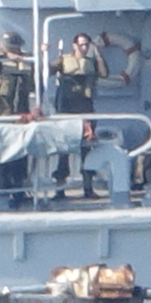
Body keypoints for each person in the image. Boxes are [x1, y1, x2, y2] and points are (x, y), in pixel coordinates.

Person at [52, 33, 108, 198]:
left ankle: (88, 189)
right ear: (74, 45)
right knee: (63, 151)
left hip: (85, 108)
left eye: (87, 45)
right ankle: (60, 190)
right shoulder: (63, 60)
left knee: (86, 150)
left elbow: (104, 74)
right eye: (82, 44)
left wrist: (98, 54)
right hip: (66, 108)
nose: (85, 47)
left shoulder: (92, 62)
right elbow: (47, 70)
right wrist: (44, 53)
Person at [0, 31, 35, 199]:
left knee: (21, 152)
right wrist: (5, 54)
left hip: (23, 113)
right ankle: (2, 187)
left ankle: (19, 188)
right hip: (5, 113)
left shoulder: (28, 59)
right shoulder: (1, 60)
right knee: (4, 151)